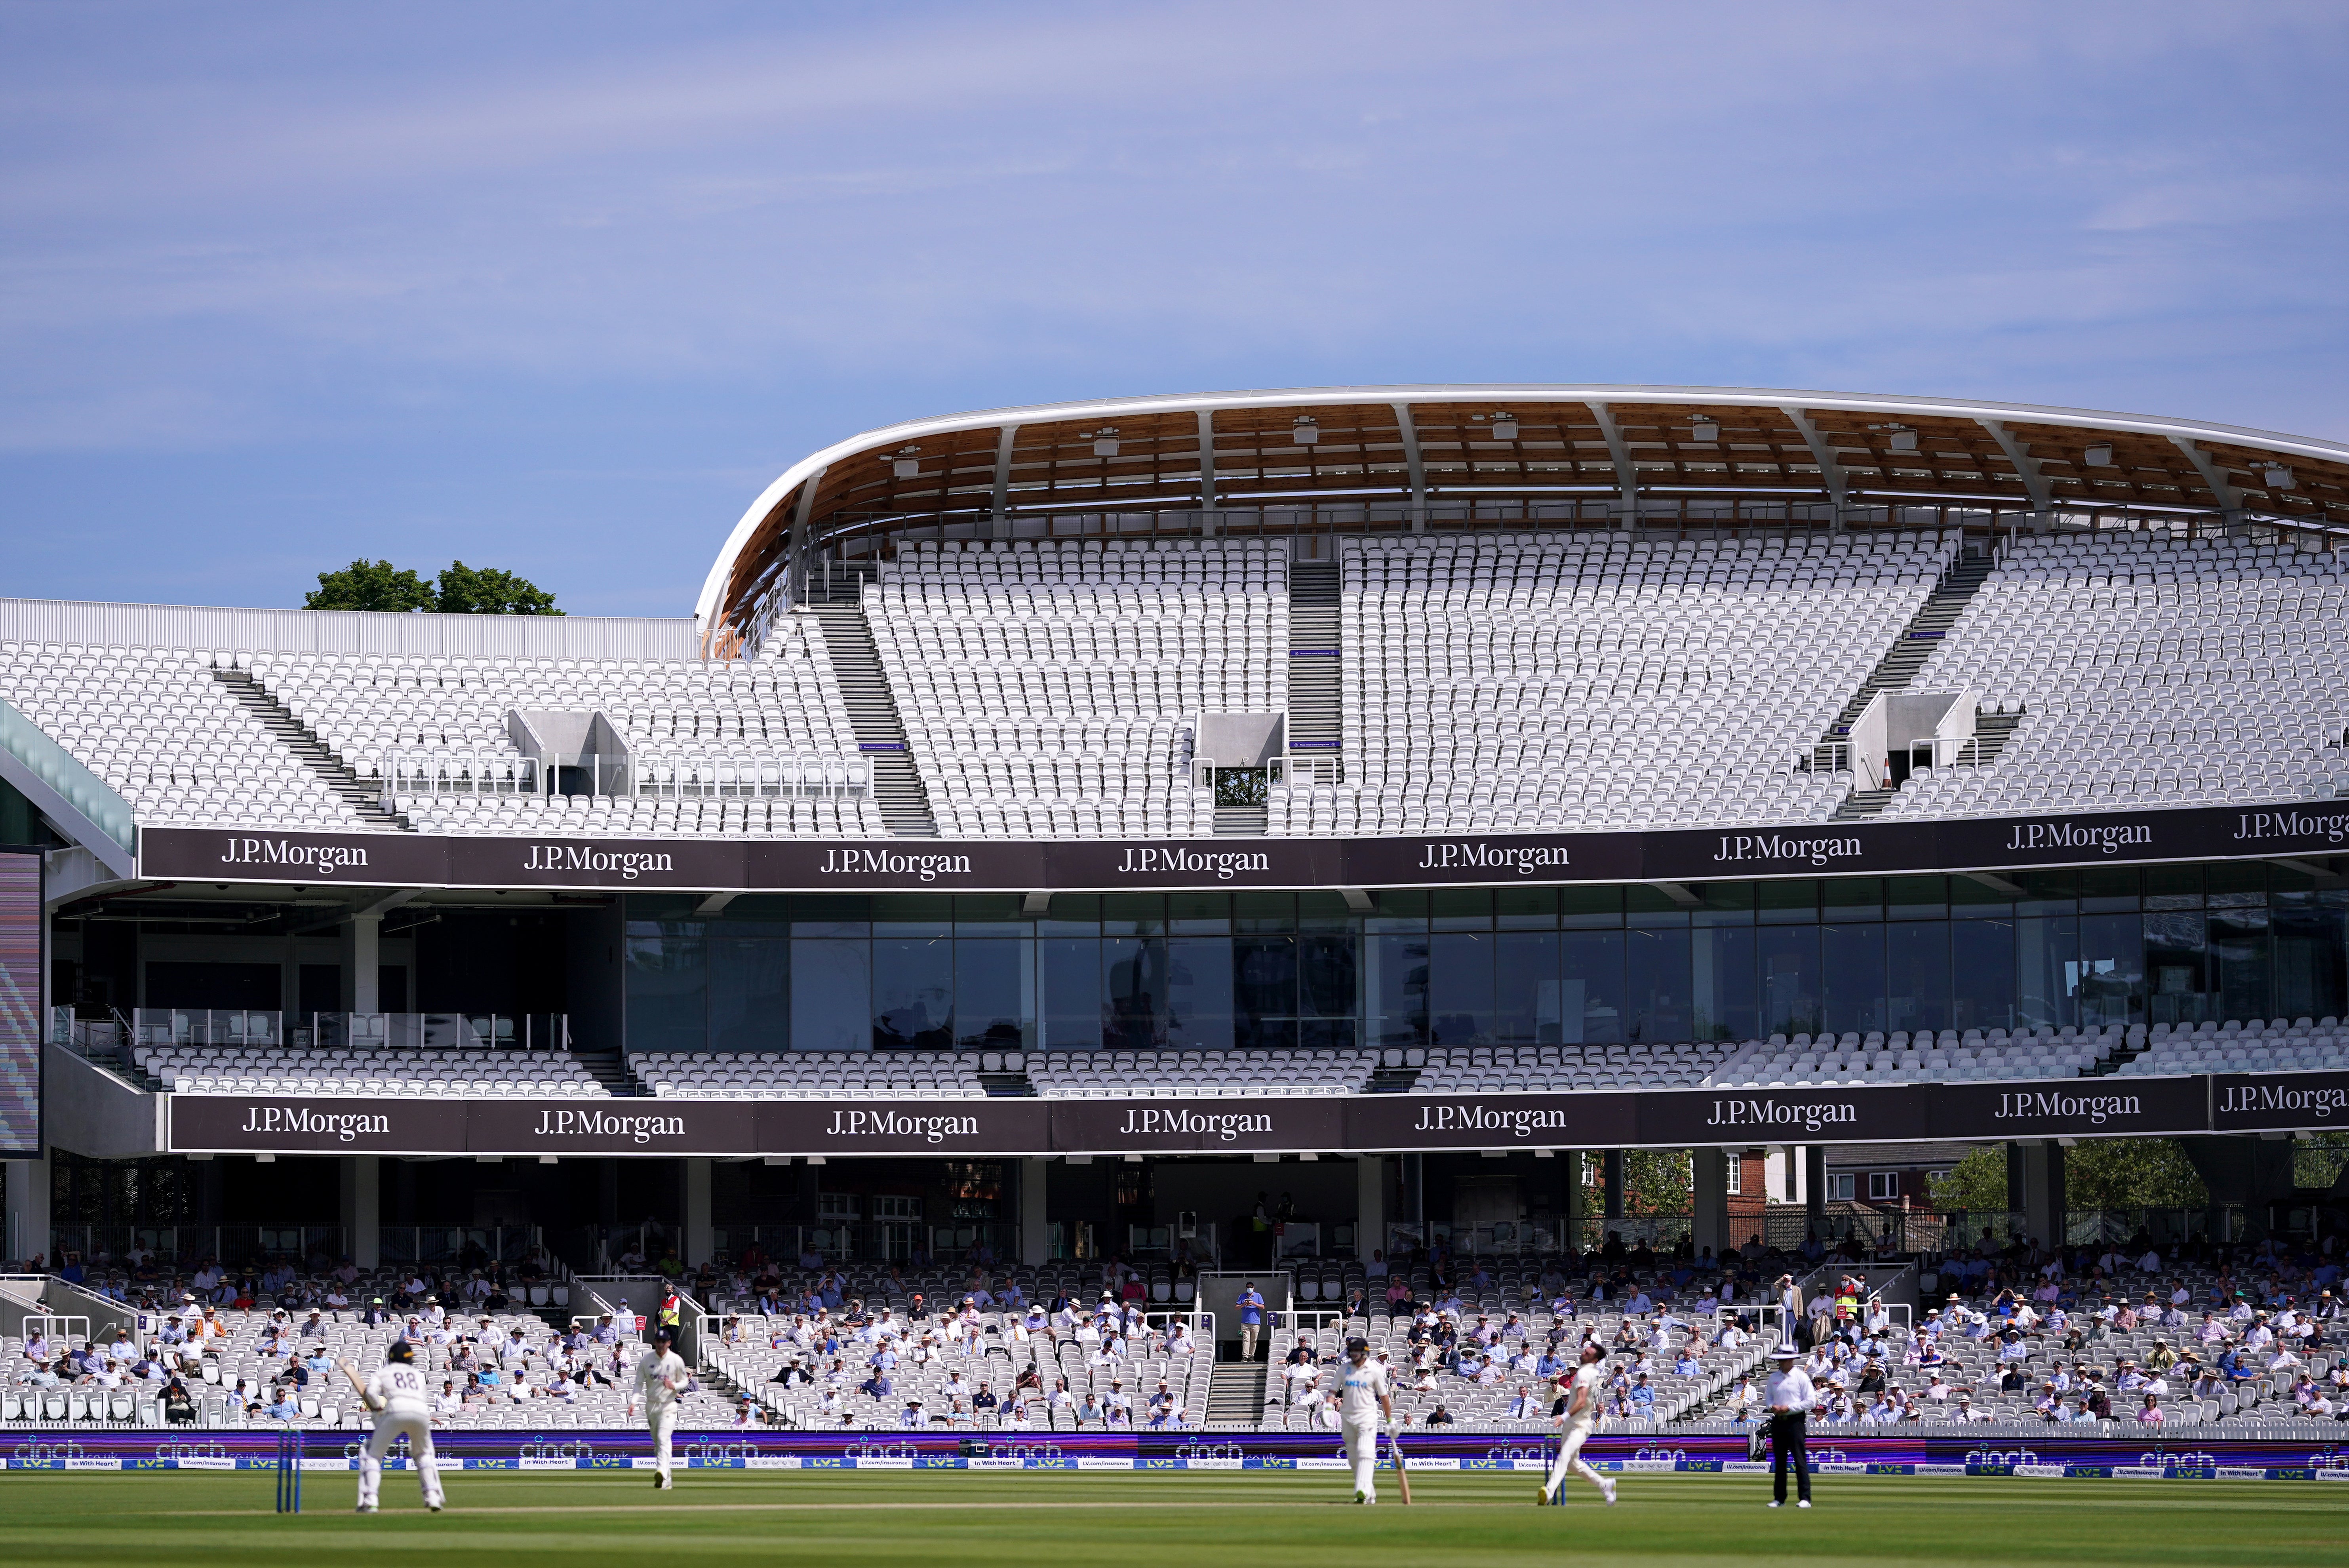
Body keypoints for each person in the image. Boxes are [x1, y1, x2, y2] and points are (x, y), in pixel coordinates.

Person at [347, 1339, 444, 1514]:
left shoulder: (385, 1372)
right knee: (423, 1454)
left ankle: (370, 1500)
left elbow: (370, 1393)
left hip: (396, 1409)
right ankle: (433, 1497)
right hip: (421, 1412)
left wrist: (377, 1409)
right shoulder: (417, 1374)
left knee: (372, 1455)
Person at [1538, 1343, 1617, 1508]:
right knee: (1574, 1465)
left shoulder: (1585, 1373)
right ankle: (1605, 1485)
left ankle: (1549, 1492)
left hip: (1580, 1426)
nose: (1582, 1354)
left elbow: (1581, 1402)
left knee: (1564, 1456)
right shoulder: (1593, 1373)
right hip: (1572, 1424)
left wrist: (1564, 1416)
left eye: (1587, 1353)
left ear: (1594, 1359)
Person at [629, 1325, 689, 1492]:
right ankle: (667, 1478)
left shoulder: (676, 1360)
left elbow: (685, 1382)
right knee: (658, 1444)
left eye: (664, 1342)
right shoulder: (647, 1360)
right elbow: (638, 1384)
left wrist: (674, 1386)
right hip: (651, 1406)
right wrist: (634, 1402)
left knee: (663, 1439)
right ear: (655, 1342)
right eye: (658, 1341)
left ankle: (661, 1472)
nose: (661, 1345)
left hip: (668, 1406)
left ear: (669, 1343)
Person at [1336, 1336, 1395, 1505]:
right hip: (1348, 1418)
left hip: (1368, 1416)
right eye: (1352, 1352)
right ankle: (1370, 1493)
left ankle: (1360, 1491)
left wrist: (1389, 1419)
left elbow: (1384, 1396)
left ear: (1365, 1353)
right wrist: (1327, 1408)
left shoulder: (1374, 1371)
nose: (1354, 1355)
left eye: (1357, 1352)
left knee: (1365, 1451)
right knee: (1353, 1458)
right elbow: (1333, 1391)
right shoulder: (1344, 1369)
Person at [1764, 1344, 1814, 1509]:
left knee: (1800, 1460)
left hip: (1795, 1422)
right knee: (1780, 1461)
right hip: (1778, 1422)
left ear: (1792, 1359)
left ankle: (1805, 1498)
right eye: (1780, 1360)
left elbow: (1811, 1401)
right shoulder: (1773, 1378)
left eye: (1784, 1360)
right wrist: (1773, 1407)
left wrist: (1789, 1408)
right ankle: (1779, 1498)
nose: (1782, 1363)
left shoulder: (1801, 1377)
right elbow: (1769, 1399)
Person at [1237, 1283, 1265, 1361]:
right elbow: (1236, 1307)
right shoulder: (1242, 1296)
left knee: (1254, 1340)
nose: (1249, 1288)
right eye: (1248, 1287)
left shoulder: (1258, 1296)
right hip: (1245, 1322)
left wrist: (1254, 1304)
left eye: (1251, 1287)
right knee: (1246, 1340)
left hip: (1256, 1322)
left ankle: (1251, 1356)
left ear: (1254, 1288)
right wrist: (1243, 1305)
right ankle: (1245, 1356)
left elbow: (1263, 1307)